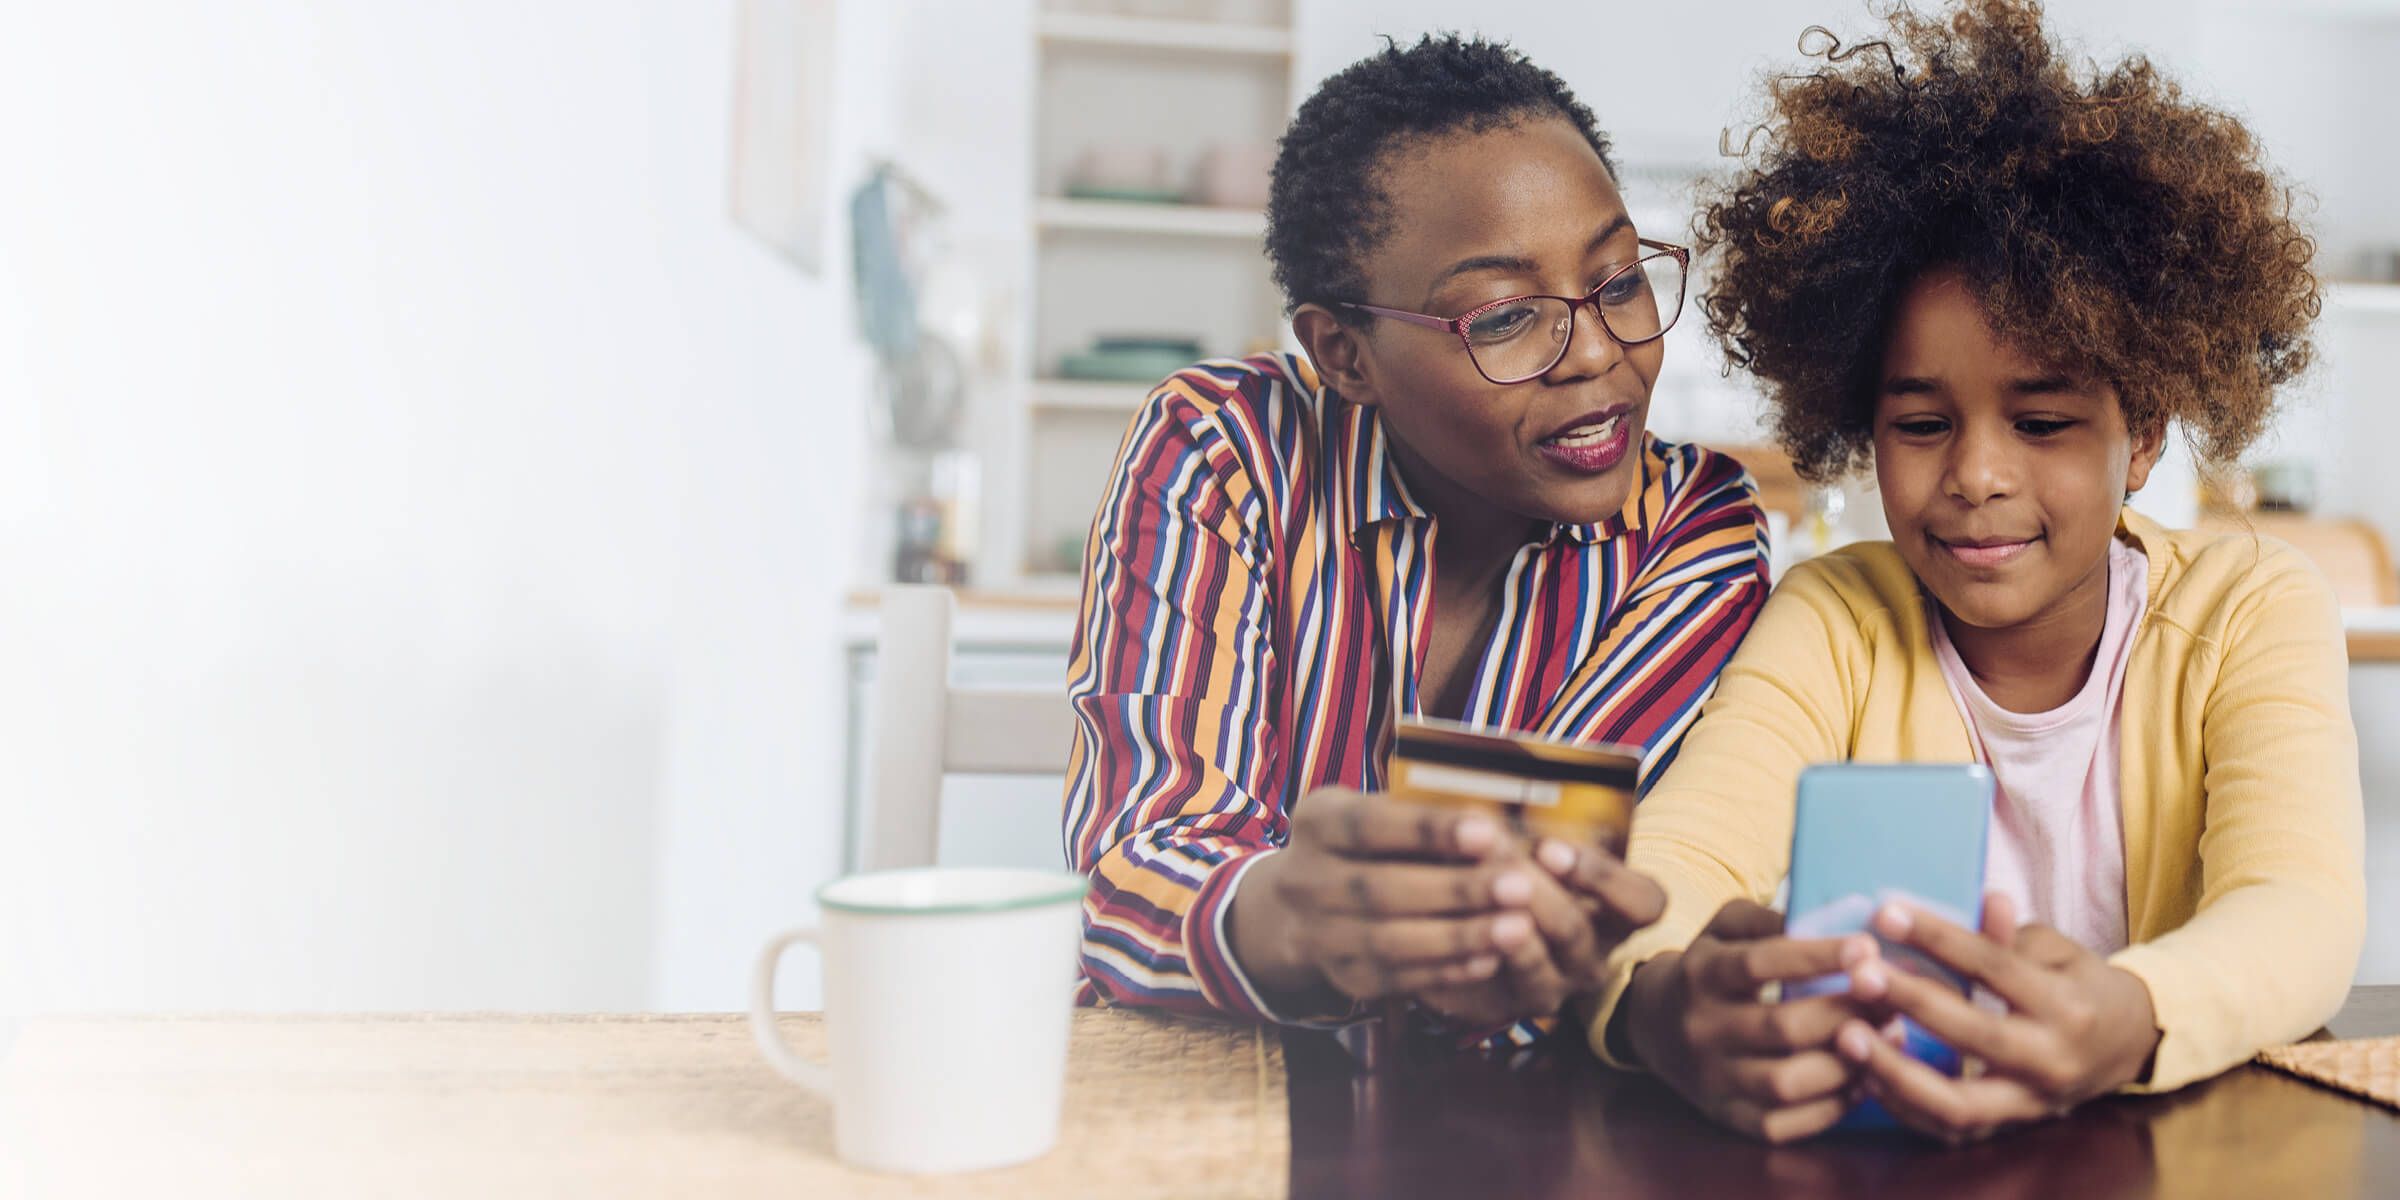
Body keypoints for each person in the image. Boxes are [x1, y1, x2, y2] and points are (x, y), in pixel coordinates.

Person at [1591, 0, 2361, 1141]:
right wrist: (1660, 1003)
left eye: (2043, 422)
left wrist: (2133, 1013)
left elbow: (2298, 911)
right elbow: (1684, 858)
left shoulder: (2249, 606)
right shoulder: (1837, 616)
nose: (1978, 477)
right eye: (1920, 424)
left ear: (2142, 433)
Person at [1061, 35, 1768, 1046]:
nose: (1602, 353)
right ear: (1344, 354)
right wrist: (1294, 919)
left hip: (1498, 1133)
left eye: (1618, 282)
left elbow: (1559, 919)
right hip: (1197, 1094)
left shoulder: (1692, 527)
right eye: (1508, 315)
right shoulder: (1228, 451)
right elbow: (1136, 873)